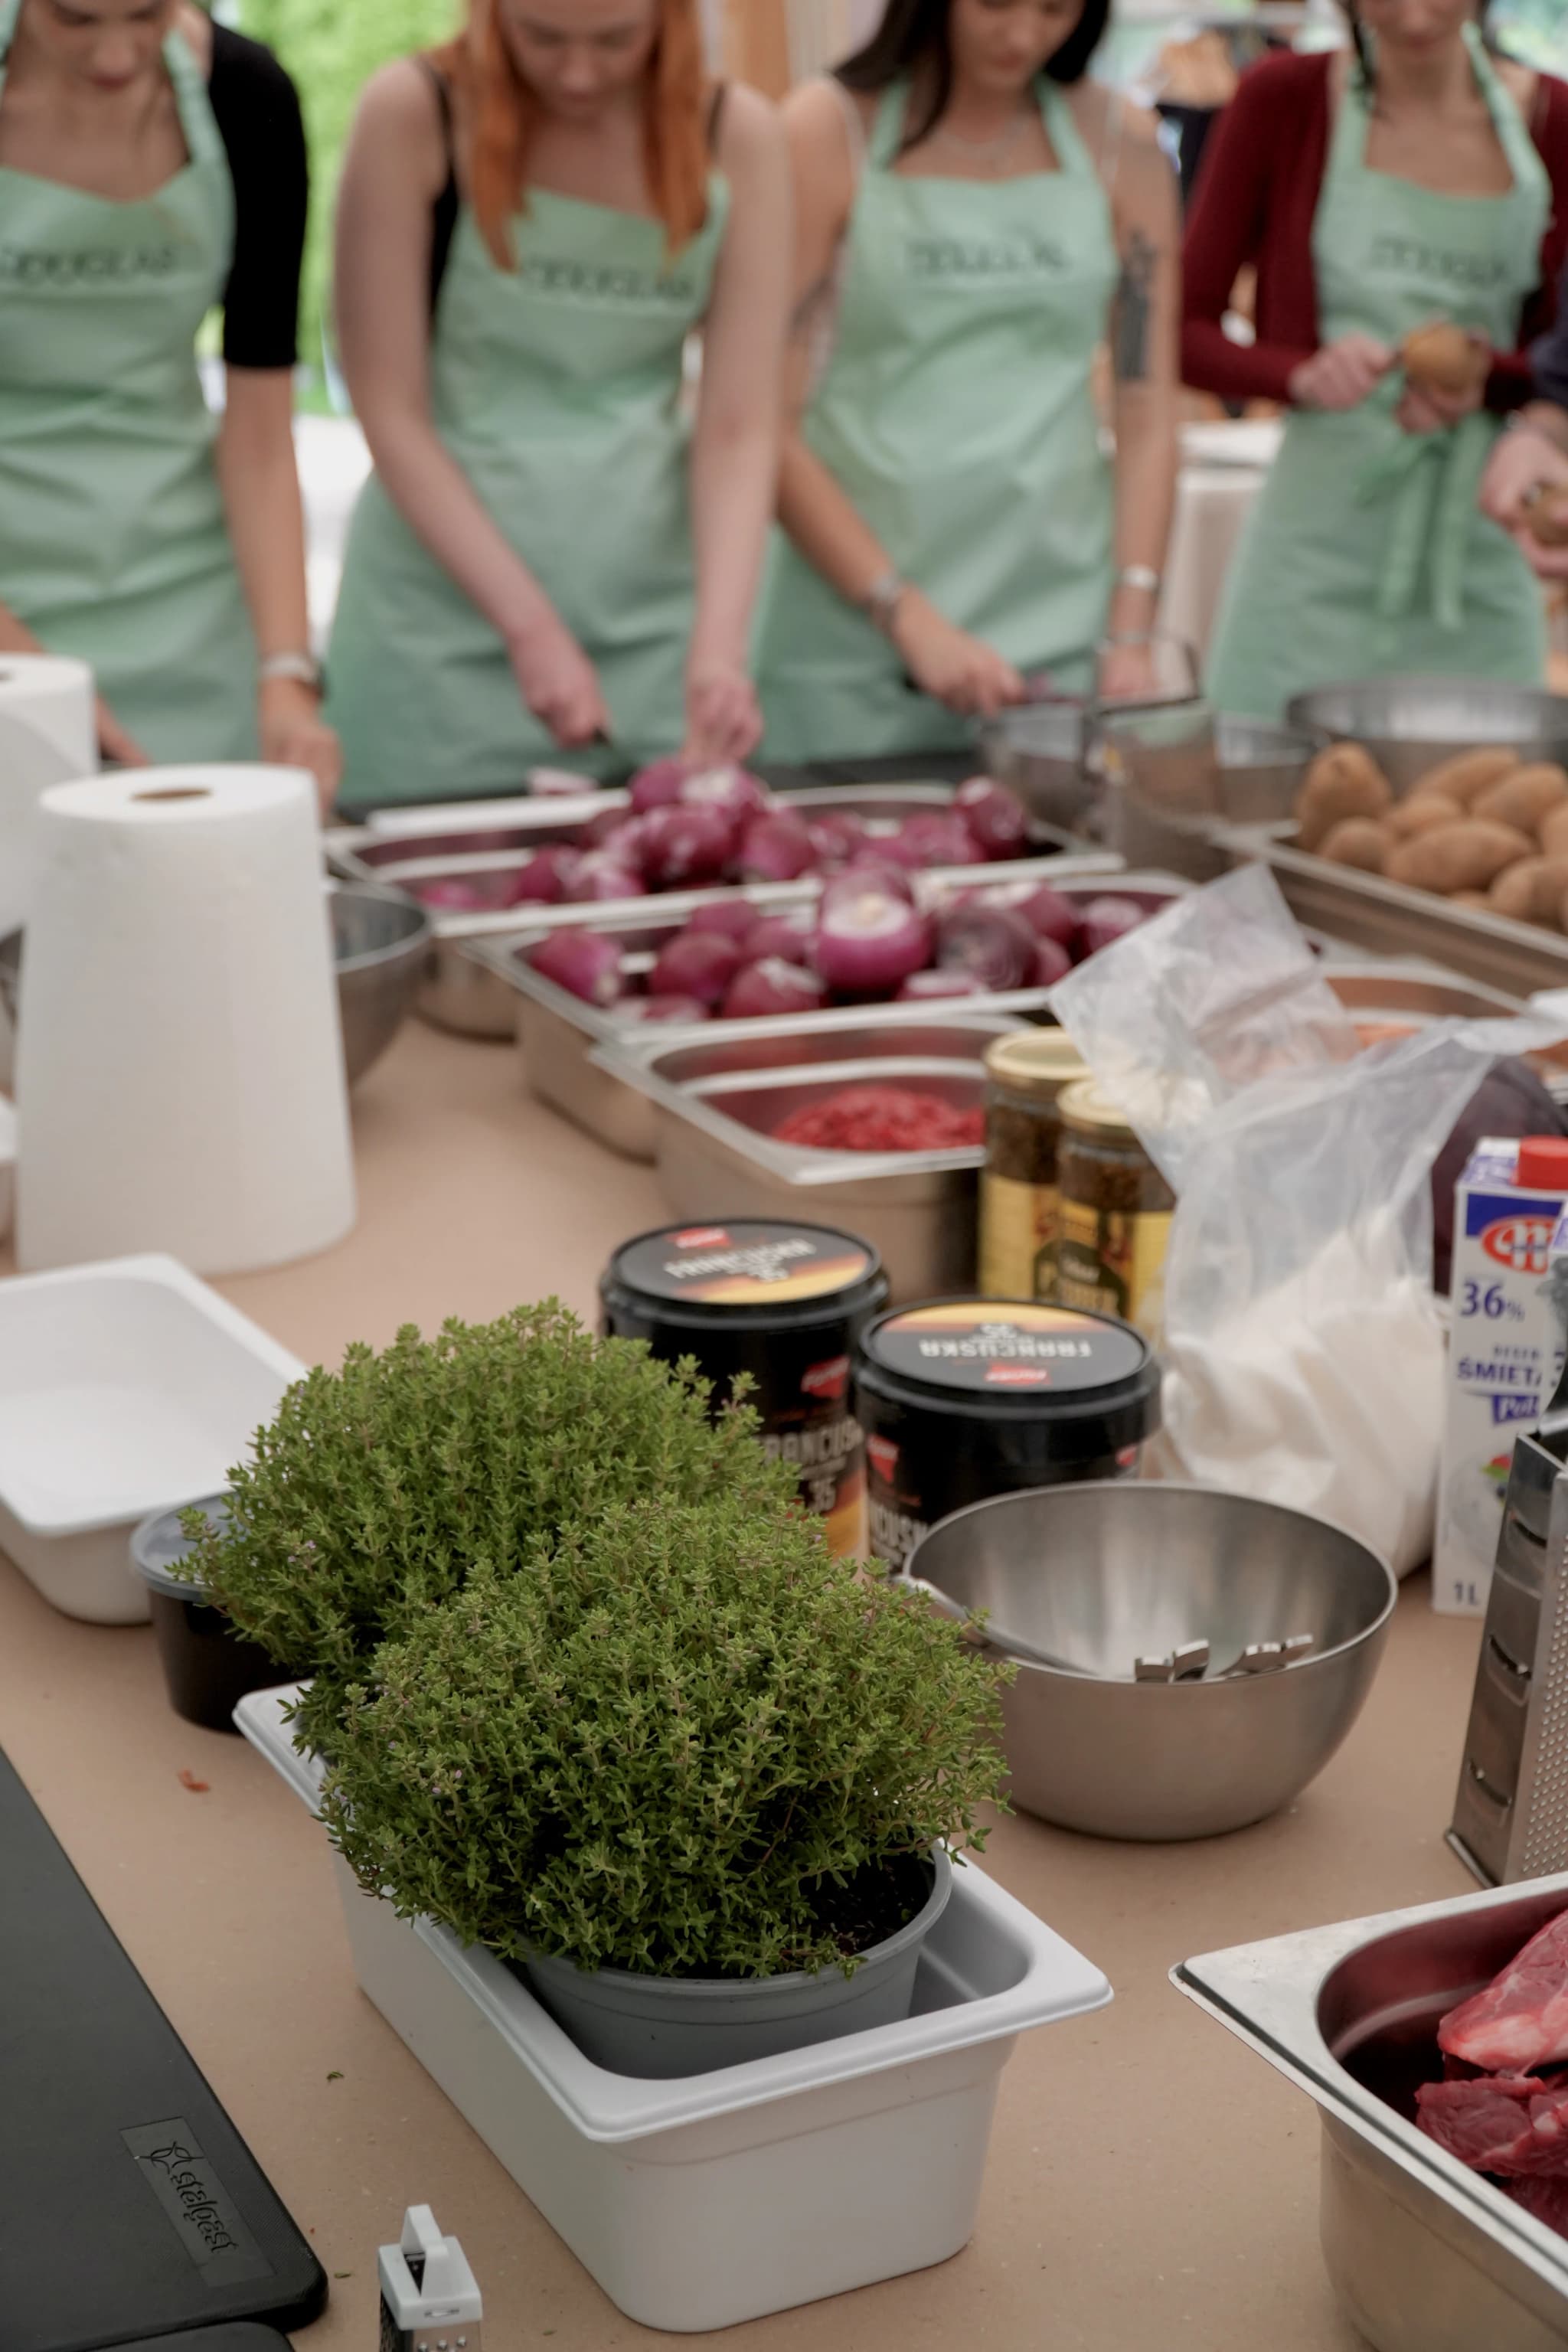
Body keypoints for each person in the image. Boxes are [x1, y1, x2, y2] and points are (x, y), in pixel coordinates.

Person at [325, 0, 789, 812]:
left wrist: (718, 650)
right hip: (437, 631)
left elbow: (739, 426)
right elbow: (387, 408)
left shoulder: (736, 134)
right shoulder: (412, 112)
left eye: (614, 40)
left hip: (654, 623)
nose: (578, 74)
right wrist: (529, 629)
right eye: (540, 37)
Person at [753, 0, 1182, 770]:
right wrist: (902, 613)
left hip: (1056, 626)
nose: (1021, 36)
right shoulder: (823, 130)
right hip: (851, 631)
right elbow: (758, 424)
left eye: (1054, 9)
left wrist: (1131, 625)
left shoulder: (1123, 144)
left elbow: (1147, 409)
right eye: (992, 2)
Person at [1184, 0, 1568, 723]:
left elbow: (1562, 360)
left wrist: (1494, 382)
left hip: (1480, 535)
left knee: (1484, 805)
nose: (1415, 18)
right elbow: (1181, 329)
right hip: (1313, 544)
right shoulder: (1284, 99)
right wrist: (1297, 374)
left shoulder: (1555, 119)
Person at [0, 0, 337, 797]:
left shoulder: (246, 97)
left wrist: (285, 673)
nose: (116, 56)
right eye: (76, 19)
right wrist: (28, 684)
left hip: (185, 602)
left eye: (146, 13)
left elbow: (259, 431)